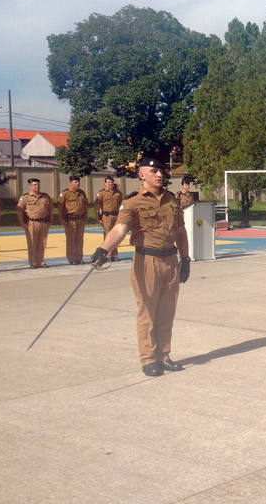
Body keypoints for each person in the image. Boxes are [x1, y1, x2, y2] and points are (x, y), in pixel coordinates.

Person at [90, 157, 190, 377]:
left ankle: (164, 356)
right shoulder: (133, 201)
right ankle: (148, 359)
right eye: (154, 171)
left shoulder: (171, 200)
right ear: (142, 175)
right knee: (147, 311)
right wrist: (103, 249)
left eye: (161, 171)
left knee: (166, 312)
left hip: (171, 260)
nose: (159, 174)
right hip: (147, 261)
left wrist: (186, 259)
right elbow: (120, 228)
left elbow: (181, 232)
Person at [16, 178, 52, 268]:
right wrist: (22, 223)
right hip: (31, 223)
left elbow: (50, 209)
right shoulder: (25, 197)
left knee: (42, 243)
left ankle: (41, 261)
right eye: (35, 185)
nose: (37, 186)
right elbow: (19, 210)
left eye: (38, 184)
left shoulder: (45, 197)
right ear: (30, 186)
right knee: (32, 243)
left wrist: (50, 221)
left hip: (43, 222)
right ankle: (33, 262)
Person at [58, 176, 88, 265]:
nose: (77, 183)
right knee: (71, 240)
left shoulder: (82, 193)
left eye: (78, 182)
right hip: (70, 220)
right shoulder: (65, 193)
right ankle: (72, 259)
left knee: (79, 239)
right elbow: (60, 207)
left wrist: (86, 216)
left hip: (80, 219)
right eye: (75, 182)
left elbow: (85, 205)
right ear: (70, 182)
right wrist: (61, 219)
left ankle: (79, 258)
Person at [94, 176, 123, 261]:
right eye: (108, 182)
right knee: (108, 235)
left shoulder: (118, 192)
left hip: (116, 216)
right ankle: (108, 255)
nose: (110, 184)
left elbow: (122, 203)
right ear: (105, 183)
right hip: (107, 216)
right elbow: (97, 206)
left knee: (116, 235)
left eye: (111, 182)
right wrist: (97, 217)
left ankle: (114, 255)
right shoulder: (102, 193)